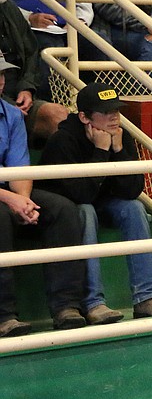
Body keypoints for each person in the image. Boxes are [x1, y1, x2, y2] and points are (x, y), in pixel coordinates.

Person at [38, 82, 152, 324]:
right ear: (84, 117)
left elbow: (132, 190)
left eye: (116, 110)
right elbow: (81, 195)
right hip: (67, 210)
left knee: (134, 208)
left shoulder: (118, 135)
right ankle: (93, 303)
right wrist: (101, 152)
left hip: (101, 201)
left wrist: (119, 152)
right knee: (85, 212)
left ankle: (147, 297)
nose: (114, 117)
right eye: (105, 112)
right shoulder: (63, 141)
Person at [0, 54, 87, 336]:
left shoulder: (11, 113)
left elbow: (19, 166)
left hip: (7, 189)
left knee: (62, 208)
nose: (0, 82)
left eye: (2, 76)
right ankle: (4, 315)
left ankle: (66, 307)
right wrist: (10, 200)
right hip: (2, 197)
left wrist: (23, 200)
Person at [0, 0, 70, 146]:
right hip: (4, 101)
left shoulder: (10, 9)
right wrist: (7, 104)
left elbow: (32, 53)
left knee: (60, 117)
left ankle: (52, 176)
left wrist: (27, 89)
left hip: (19, 97)